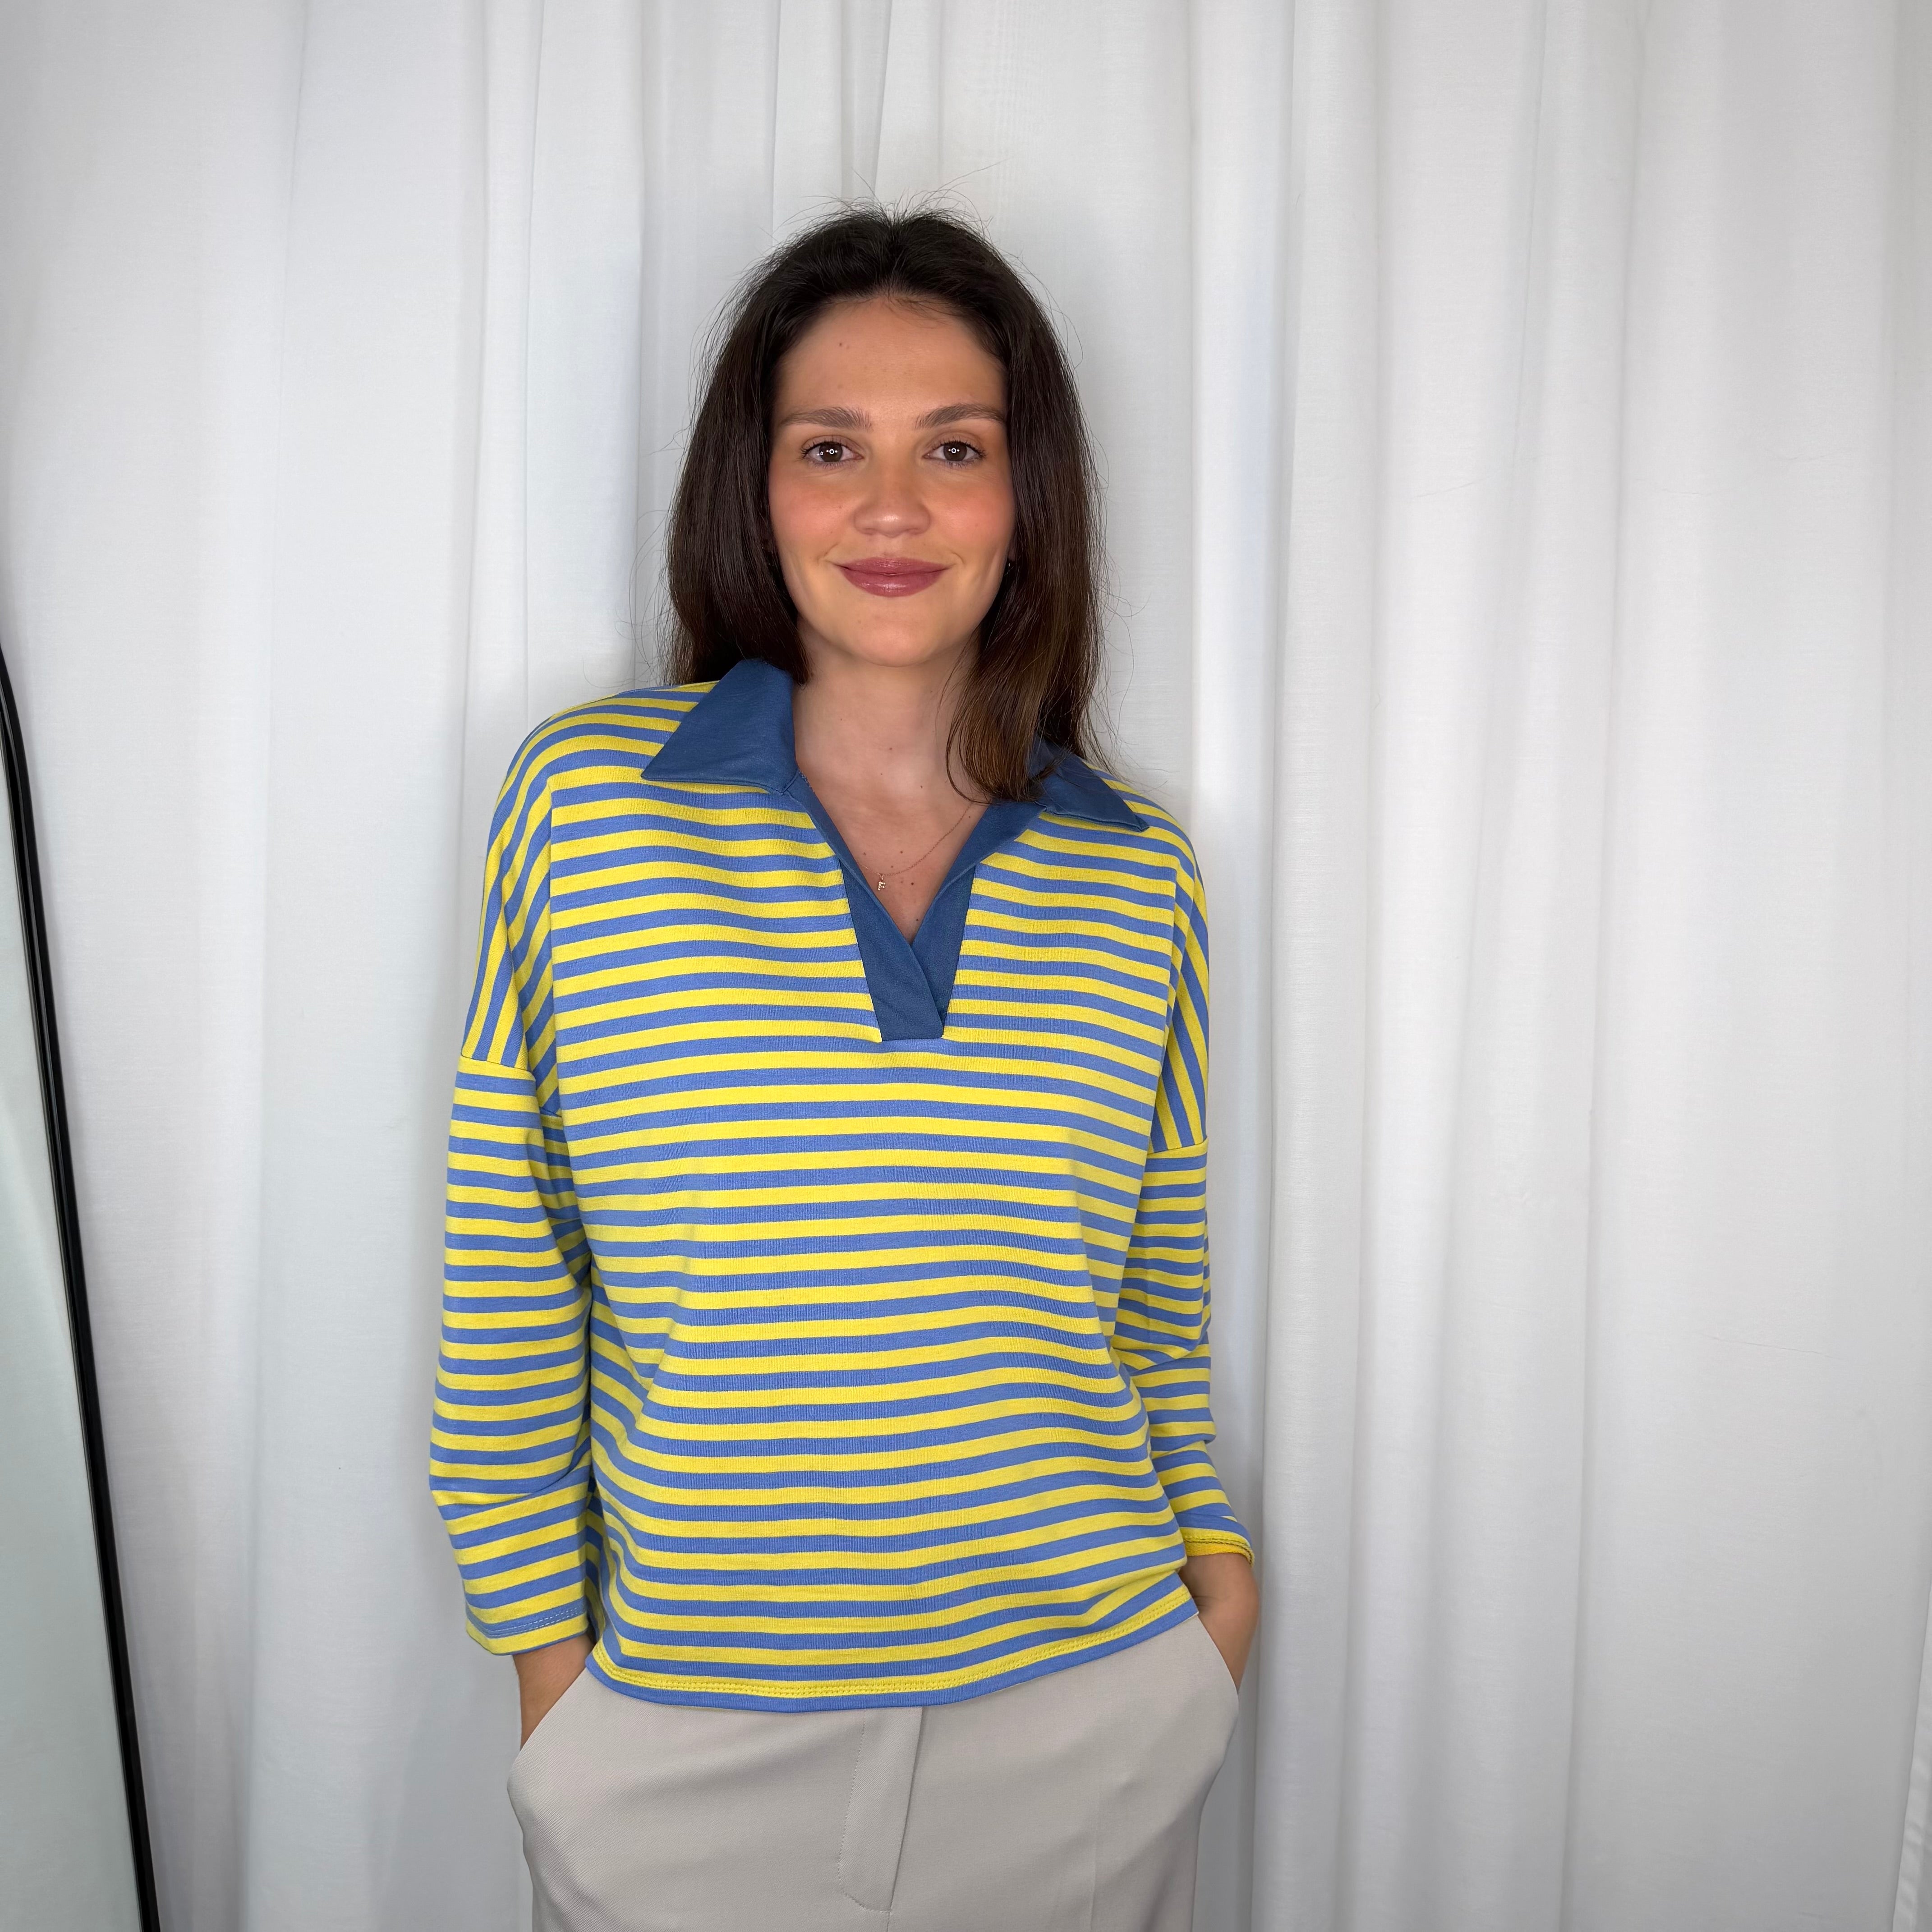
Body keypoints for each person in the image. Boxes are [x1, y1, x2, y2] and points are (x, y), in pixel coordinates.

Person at [430, 202, 1260, 1932]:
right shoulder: (586, 808)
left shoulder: (1136, 873)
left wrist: (1212, 1592)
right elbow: (511, 1263)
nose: (893, 505)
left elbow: (1150, 1295)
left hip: (1089, 1709)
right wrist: (556, 1686)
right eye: (831, 448)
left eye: (954, 447)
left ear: (1027, 496)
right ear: (757, 490)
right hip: (682, 1735)